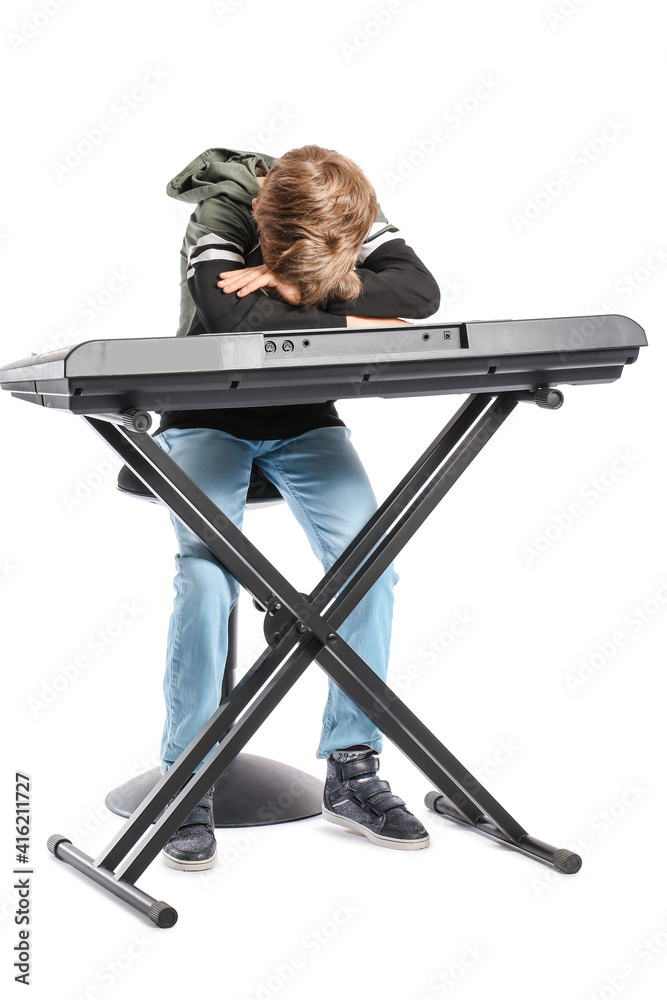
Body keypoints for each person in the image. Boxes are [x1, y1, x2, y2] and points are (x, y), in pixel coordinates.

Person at [153, 145, 441, 870]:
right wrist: (347, 300)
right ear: (260, 213)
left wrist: (288, 278)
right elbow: (229, 316)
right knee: (207, 577)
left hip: (305, 416)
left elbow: (416, 293)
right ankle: (186, 780)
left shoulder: (338, 201)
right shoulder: (222, 206)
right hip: (204, 414)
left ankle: (351, 767)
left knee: (369, 570)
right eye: (286, 249)